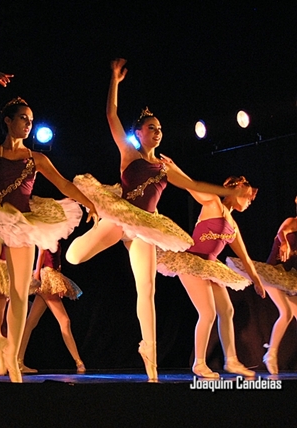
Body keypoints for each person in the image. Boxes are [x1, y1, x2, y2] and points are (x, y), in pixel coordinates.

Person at [65, 58, 250, 381]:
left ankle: (149, 354)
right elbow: (111, 115)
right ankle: (92, 232)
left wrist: (226, 191)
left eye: (160, 129)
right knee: (74, 257)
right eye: (151, 127)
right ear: (138, 133)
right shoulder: (129, 154)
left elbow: (194, 184)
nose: (157, 132)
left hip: (147, 227)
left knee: (147, 288)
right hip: (122, 218)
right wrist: (114, 80)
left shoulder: (165, 168)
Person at [0, 72, 98, 382]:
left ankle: (13, 359)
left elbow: (64, 184)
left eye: (31, 120)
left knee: (19, 292)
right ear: (8, 121)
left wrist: (89, 203)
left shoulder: (36, 158)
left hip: (23, 223)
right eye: (23, 118)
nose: (28, 124)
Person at [156, 176, 265, 378]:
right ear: (238, 189)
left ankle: (231, 360)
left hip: (210, 266)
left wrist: (257, 281)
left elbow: (245, 258)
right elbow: (190, 185)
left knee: (227, 310)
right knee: (207, 313)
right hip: (191, 263)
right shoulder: (213, 203)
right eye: (248, 197)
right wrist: (172, 169)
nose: (250, 202)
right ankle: (199, 363)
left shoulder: (232, 225)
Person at [227, 196, 297, 374]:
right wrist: (284, 243)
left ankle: (271, 353)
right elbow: (281, 233)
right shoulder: (292, 221)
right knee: (286, 312)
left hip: (288, 277)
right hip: (272, 273)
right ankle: (271, 355)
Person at [18, 243, 85, 374]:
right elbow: (41, 253)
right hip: (48, 277)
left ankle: (18, 360)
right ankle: (79, 362)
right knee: (64, 321)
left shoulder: (55, 234)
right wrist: (37, 278)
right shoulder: (46, 235)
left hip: (52, 275)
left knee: (30, 323)